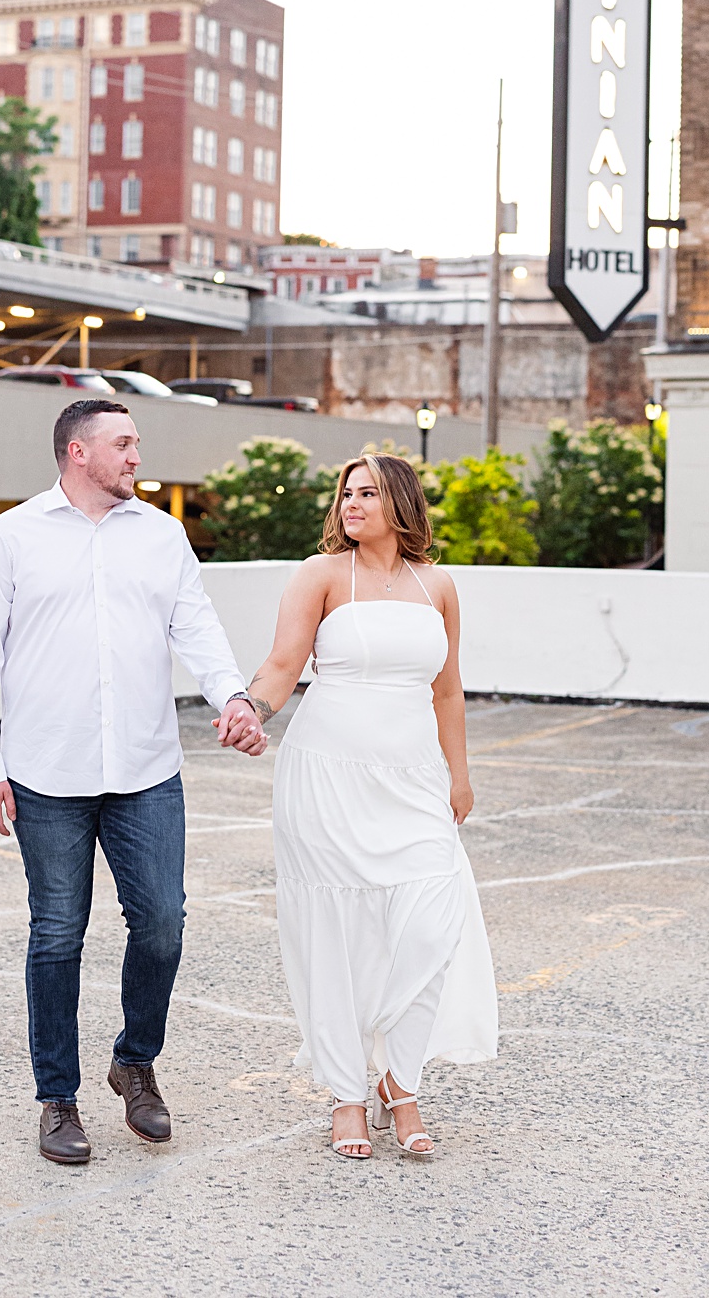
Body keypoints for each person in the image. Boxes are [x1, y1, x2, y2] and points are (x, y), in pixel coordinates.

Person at [0, 397, 267, 1166]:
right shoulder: (10, 539)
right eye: (122, 443)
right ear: (76, 452)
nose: (135, 456)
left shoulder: (163, 536)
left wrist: (232, 694)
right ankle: (58, 1099)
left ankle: (135, 1061)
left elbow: (196, 624)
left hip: (146, 768)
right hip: (45, 772)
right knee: (57, 936)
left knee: (162, 922)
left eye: (135, 443)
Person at [240, 453, 497, 1159]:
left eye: (368, 492)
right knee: (338, 934)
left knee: (427, 925)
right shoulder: (320, 575)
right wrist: (252, 708)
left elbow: (448, 690)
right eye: (346, 492)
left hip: (412, 779)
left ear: (401, 502)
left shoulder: (437, 584)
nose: (351, 503)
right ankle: (348, 1093)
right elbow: (283, 665)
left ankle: (399, 1079)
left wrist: (459, 773)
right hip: (326, 776)